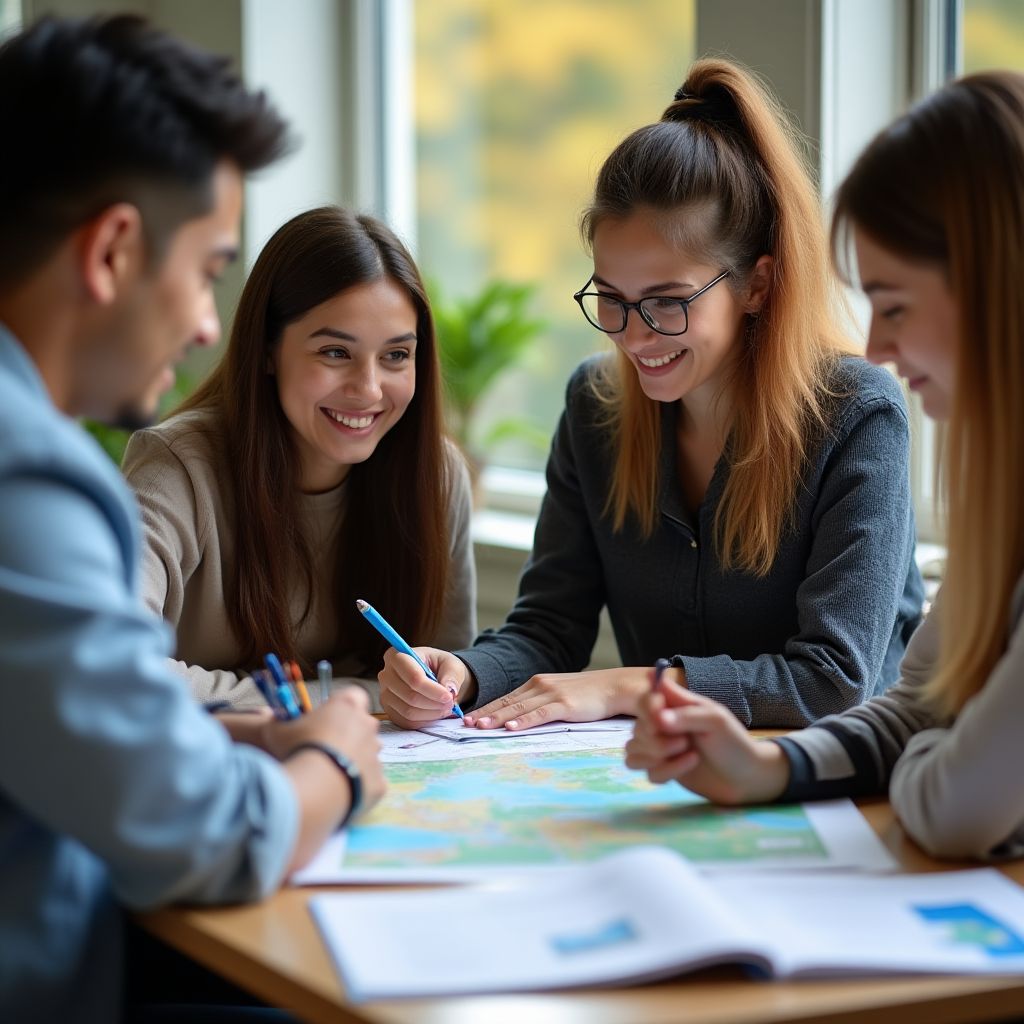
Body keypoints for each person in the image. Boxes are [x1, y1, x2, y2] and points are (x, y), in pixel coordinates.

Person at [0, 14, 385, 1021]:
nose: (211, 322)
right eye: (210, 268)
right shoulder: (26, 479)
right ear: (115, 251)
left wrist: (238, 736)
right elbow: (208, 837)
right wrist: (335, 756)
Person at [379, 58, 924, 733]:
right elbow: (550, 627)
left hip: (834, 792)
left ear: (757, 286)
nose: (633, 337)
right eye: (611, 299)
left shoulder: (857, 415)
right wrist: (465, 671)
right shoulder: (594, 408)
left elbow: (834, 680)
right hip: (674, 783)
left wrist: (632, 688)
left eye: (666, 303)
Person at [625, 70, 1024, 861]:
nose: (876, 346)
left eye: (896, 303)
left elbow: (952, 810)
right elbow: (916, 711)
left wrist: (937, 764)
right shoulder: (1002, 491)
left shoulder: (856, 411)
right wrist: (766, 766)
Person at [121, 206, 476, 709]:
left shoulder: (436, 476)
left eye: (396, 355)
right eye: (335, 352)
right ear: (267, 350)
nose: (368, 389)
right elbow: (115, 663)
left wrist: (437, 689)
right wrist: (343, 697)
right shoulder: (177, 468)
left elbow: (447, 670)